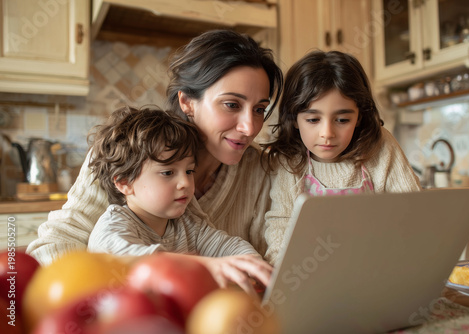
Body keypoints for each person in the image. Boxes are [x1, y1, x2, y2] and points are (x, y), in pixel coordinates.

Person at [26, 30, 283, 291]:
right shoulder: (126, 155)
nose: (251, 128)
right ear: (187, 102)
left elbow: (256, 256)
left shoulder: (263, 170)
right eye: (231, 105)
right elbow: (57, 246)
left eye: (260, 109)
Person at [262, 50, 422, 265]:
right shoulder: (289, 160)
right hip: (308, 273)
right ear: (293, 119)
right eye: (312, 119)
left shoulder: (379, 145)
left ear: (359, 117)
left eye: (342, 119)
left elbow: (413, 210)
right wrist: (283, 270)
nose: (327, 133)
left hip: (377, 267)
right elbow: (281, 225)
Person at [86, 106, 271, 291]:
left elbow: (228, 246)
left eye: (189, 171)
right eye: (168, 172)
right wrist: (206, 265)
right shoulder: (113, 226)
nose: (185, 182)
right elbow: (127, 260)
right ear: (124, 182)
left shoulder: (188, 224)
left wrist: (252, 265)